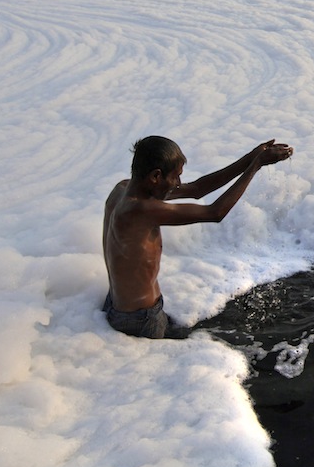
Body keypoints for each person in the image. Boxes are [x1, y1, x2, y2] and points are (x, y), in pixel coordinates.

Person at [102, 135, 293, 339]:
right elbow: (215, 212)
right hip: (140, 320)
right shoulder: (141, 210)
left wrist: (251, 158)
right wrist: (255, 167)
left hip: (117, 305)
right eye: (175, 176)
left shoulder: (123, 189)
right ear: (156, 176)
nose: (178, 183)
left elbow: (196, 189)